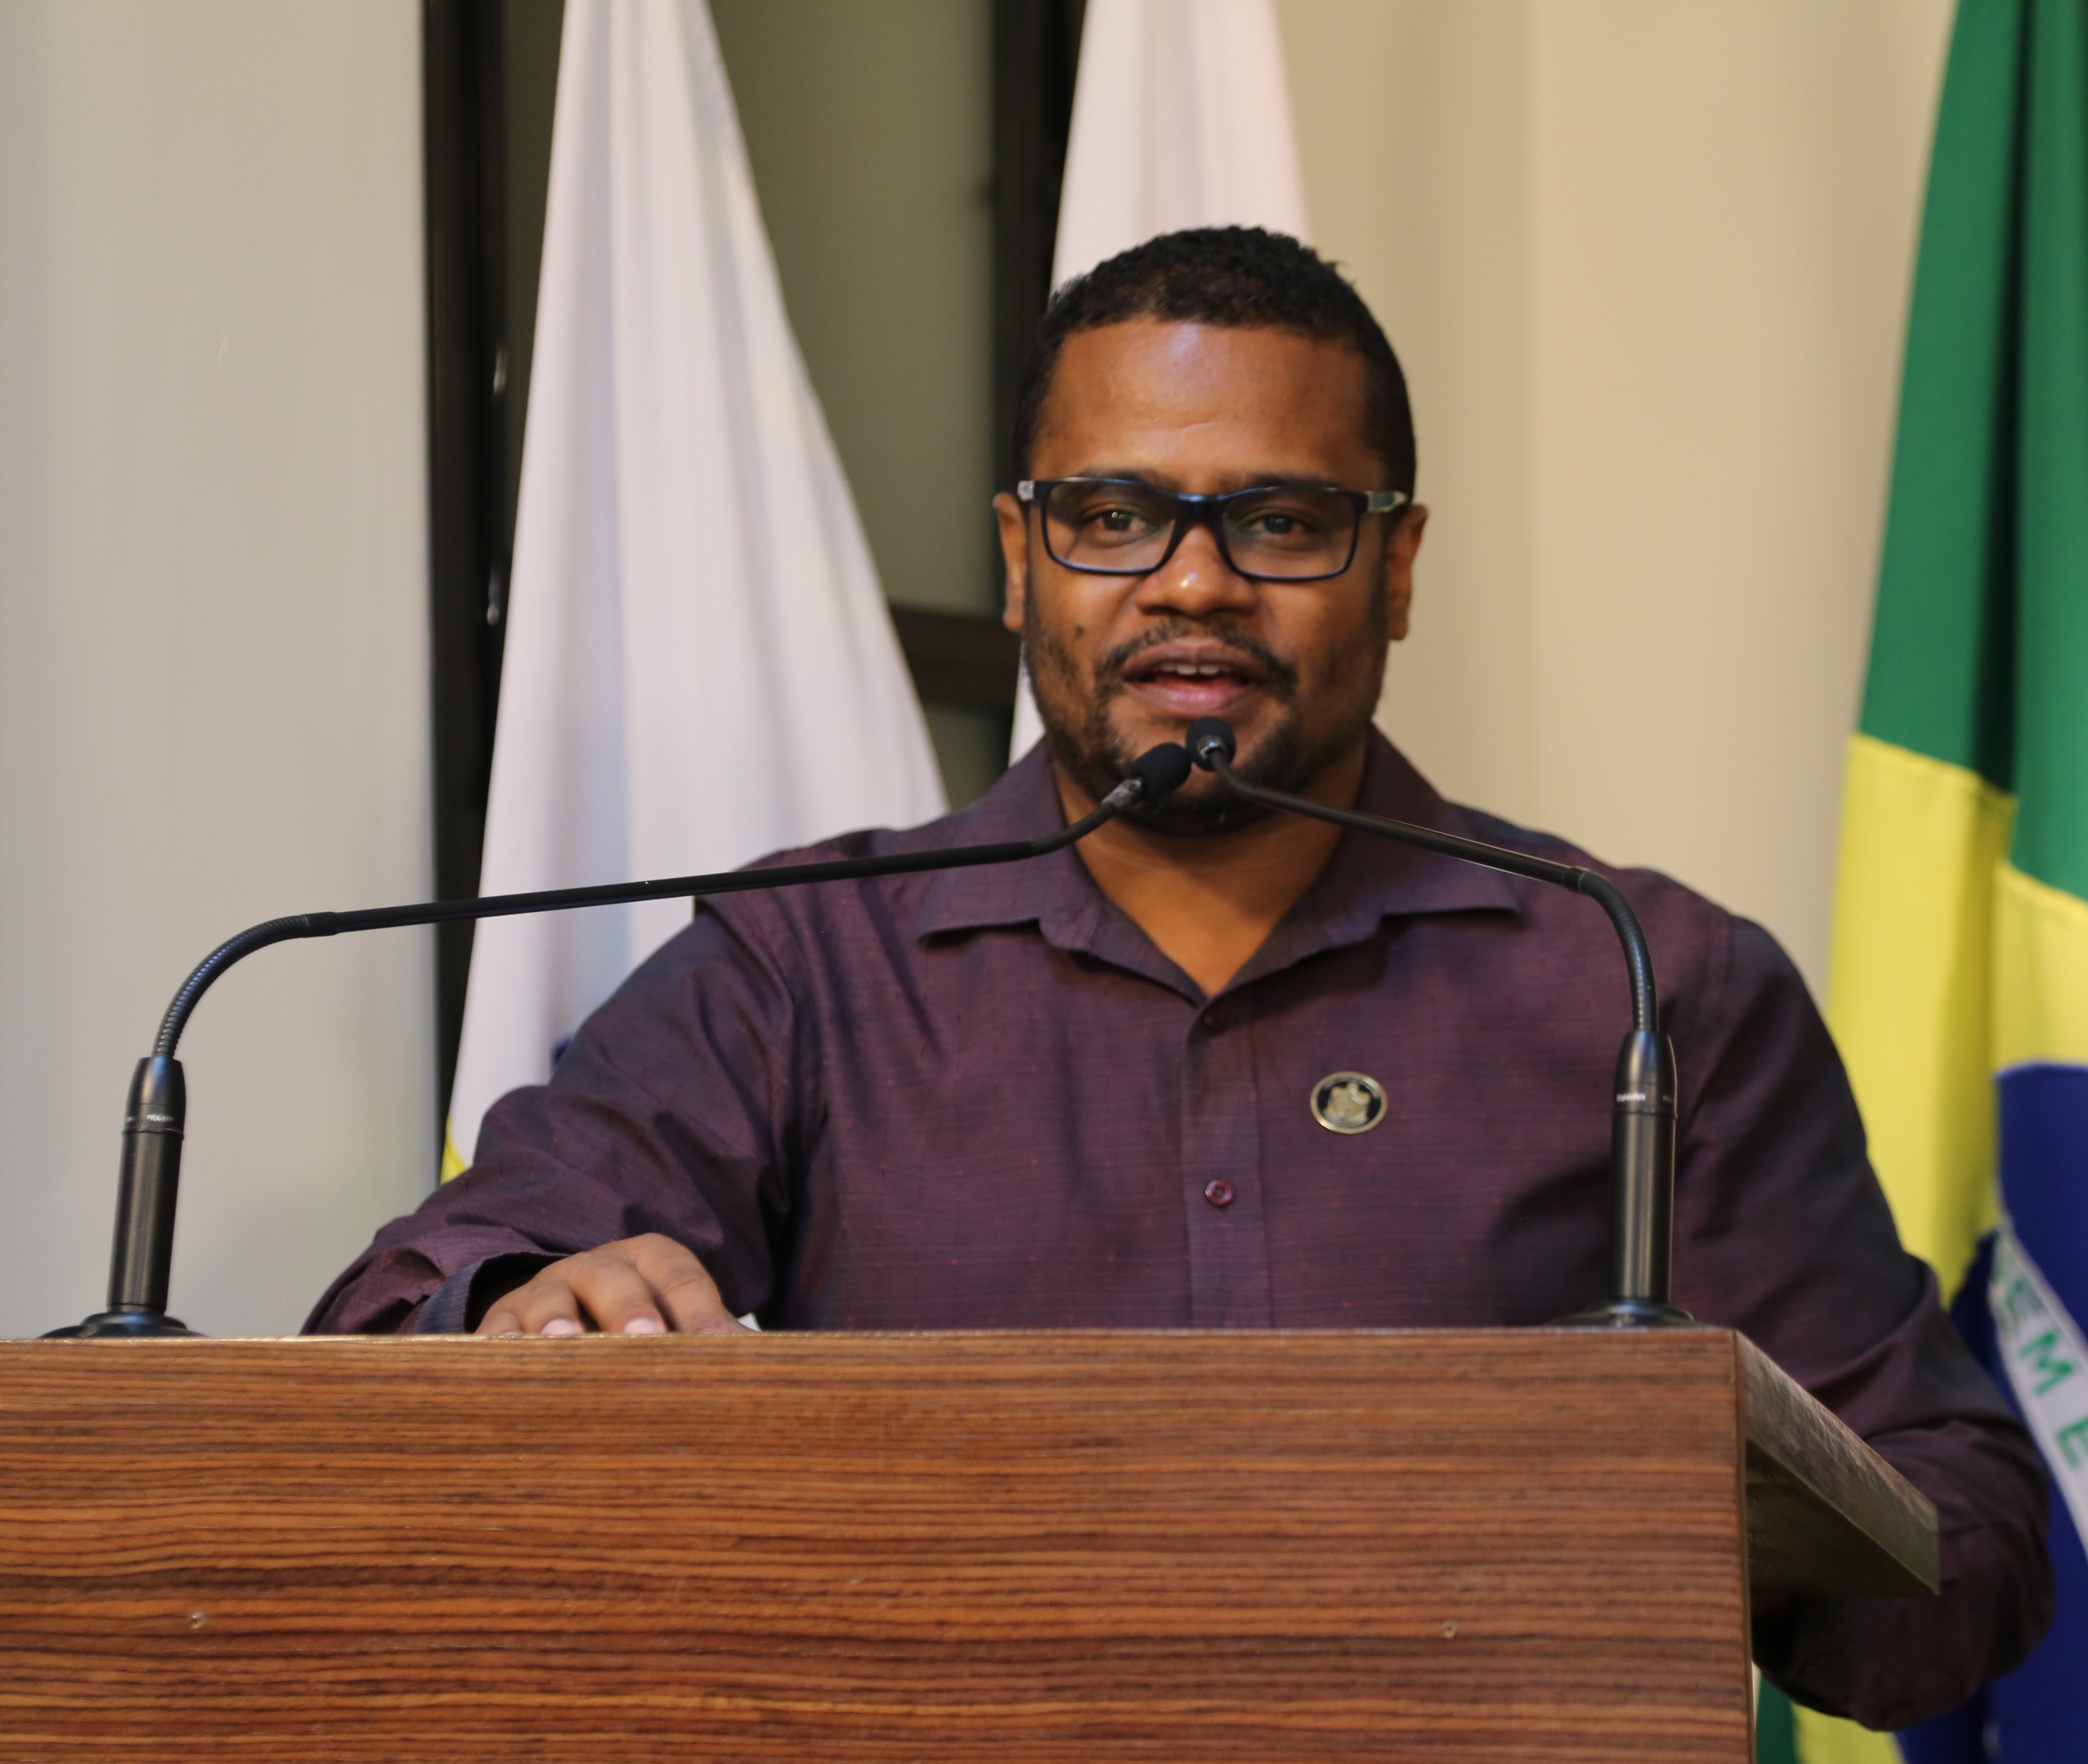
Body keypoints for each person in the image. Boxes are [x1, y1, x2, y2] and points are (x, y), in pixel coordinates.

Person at [311, 228, 2049, 1727]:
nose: (1193, 583)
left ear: (1397, 567)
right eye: (1114, 516)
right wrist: (522, 1303)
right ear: (1021, 560)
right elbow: (397, 1321)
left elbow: (1964, 1542)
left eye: (1281, 520)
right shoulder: (805, 967)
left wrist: (1675, 1496)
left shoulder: (1644, 983)